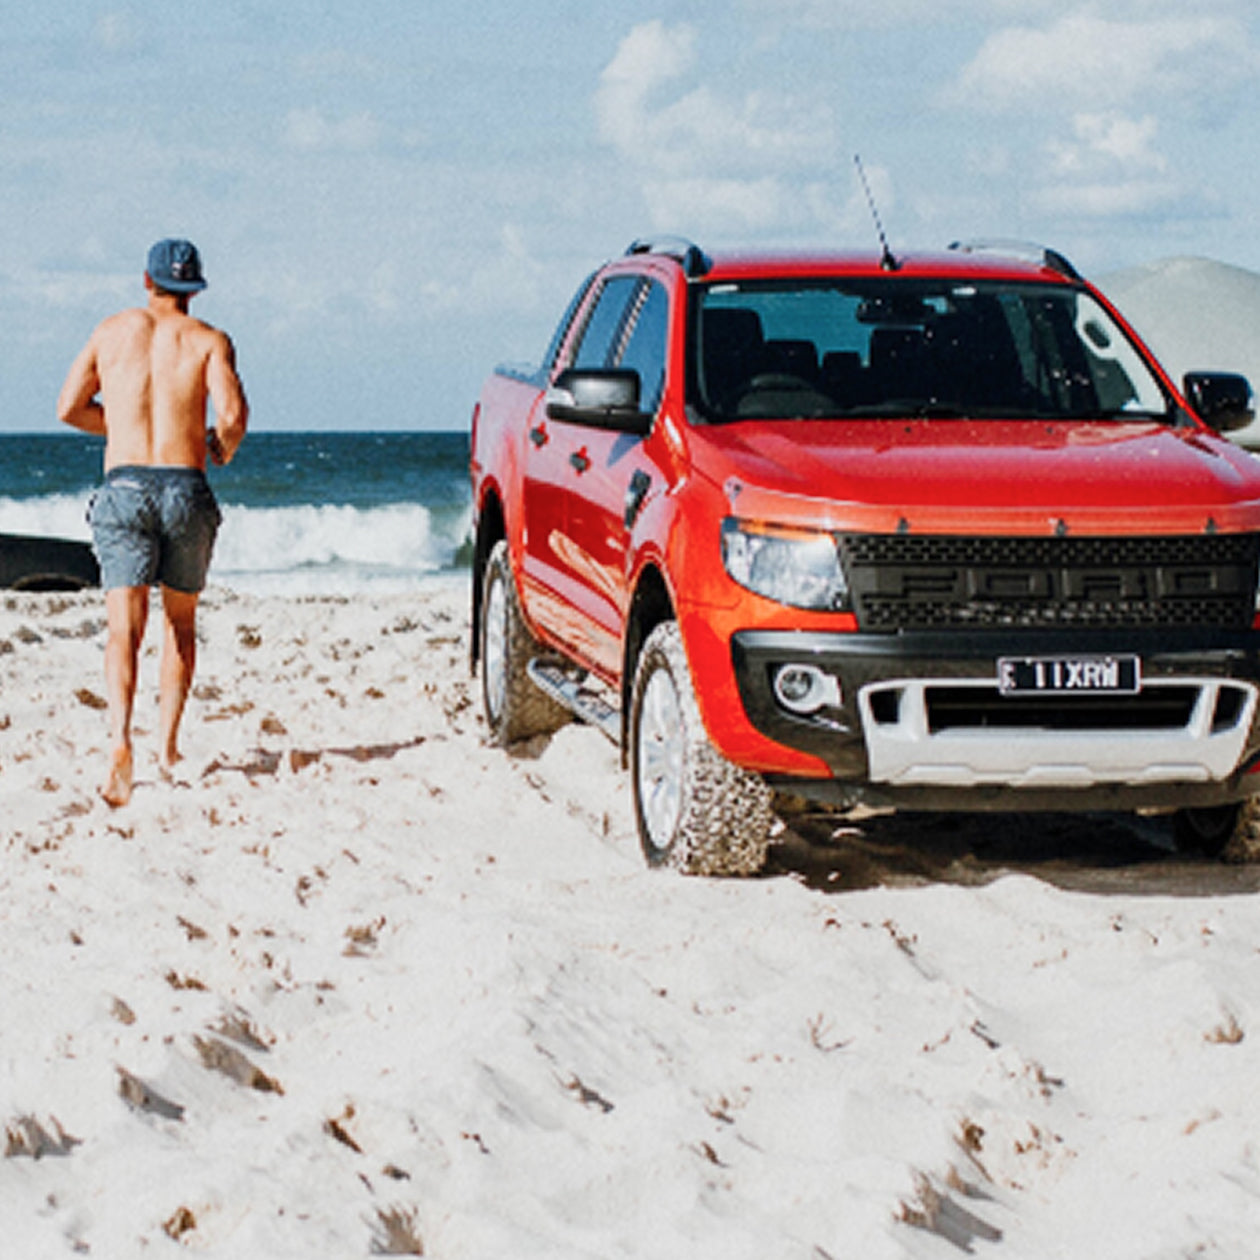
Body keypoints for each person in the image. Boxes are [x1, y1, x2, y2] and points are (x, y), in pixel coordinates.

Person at [57, 238, 248, 807]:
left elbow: (68, 407)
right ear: (194, 289)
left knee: (124, 629)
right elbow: (232, 415)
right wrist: (221, 446)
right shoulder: (209, 340)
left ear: (147, 280)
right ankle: (167, 749)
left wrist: (120, 427)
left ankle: (120, 741)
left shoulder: (110, 332)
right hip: (184, 486)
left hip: (124, 488)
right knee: (180, 624)